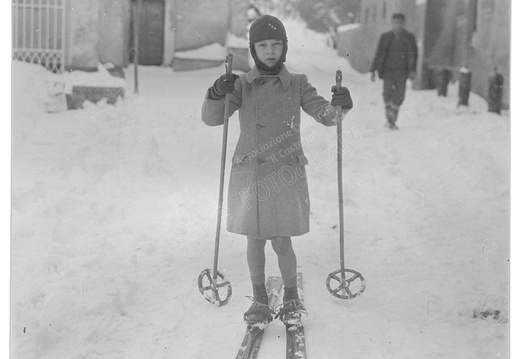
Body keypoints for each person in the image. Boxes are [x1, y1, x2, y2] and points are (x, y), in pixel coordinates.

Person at [201, 14, 353, 324]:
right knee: (254, 238)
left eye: (276, 45)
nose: (269, 51)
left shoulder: (298, 83)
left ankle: (292, 297)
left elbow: (326, 116)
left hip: (284, 172)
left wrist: (340, 104)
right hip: (251, 172)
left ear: (284, 47)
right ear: (253, 49)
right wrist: (218, 92)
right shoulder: (241, 83)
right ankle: (258, 299)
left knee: (282, 239)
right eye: (262, 45)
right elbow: (213, 118)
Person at [370, 13, 418, 129]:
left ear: (403, 23)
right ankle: (390, 118)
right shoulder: (385, 37)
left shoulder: (409, 37)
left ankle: (392, 118)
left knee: (399, 96)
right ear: (392, 23)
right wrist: (373, 71)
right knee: (387, 94)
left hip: (402, 72)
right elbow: (379, 53)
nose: (397, 25)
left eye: (400, 23)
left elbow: (414, 55)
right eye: (395, 22)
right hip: (388, 71)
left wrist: (413, 70)